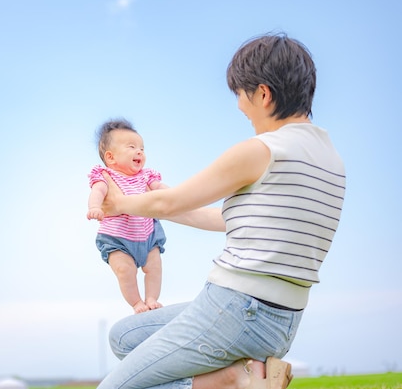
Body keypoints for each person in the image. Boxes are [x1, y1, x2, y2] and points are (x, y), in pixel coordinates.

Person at [96, 33, 346, 389]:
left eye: (241, 95)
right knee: (125, 336)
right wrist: (161, 203)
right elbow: (220, 218)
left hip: (236, 310)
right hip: (281, 323)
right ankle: (236, 377)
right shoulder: (329, 159)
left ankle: (232, 383)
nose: (241, 107)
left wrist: (118, 204)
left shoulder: (262, 150)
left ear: (263, 93)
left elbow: (172, 201)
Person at [87, 118, 169, 313]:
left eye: (142, 148)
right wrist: (94, 207)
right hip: (117, 239)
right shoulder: (106, 176)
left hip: (147, 234)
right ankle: (137, 303)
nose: (139, 151)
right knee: (125, 271)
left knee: (155, 267)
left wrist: (176, 193)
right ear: (111, 157)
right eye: (131, 147)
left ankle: (151, 298)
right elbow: (97, 192)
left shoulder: (146, 176)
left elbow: (160, 189)